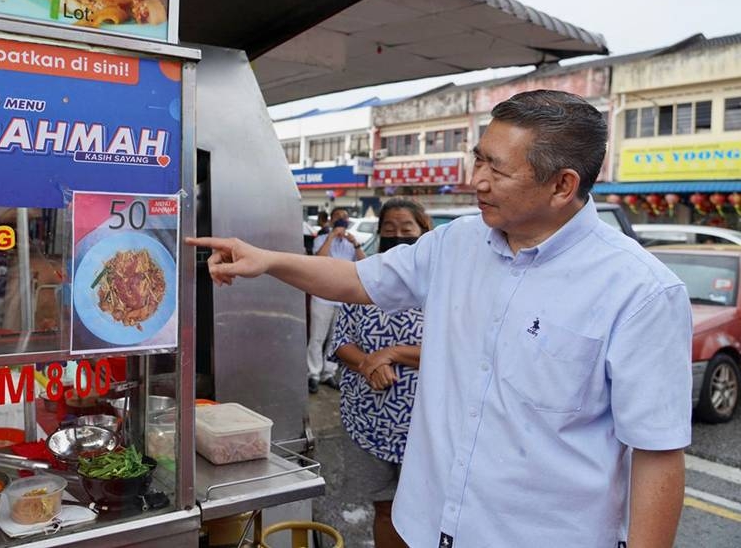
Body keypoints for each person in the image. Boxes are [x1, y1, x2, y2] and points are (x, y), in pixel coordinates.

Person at [188, 90, 692, 548]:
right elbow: (356, 281)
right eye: (478, 160)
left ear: (563, 185)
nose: (476, 181)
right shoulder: (457, 243)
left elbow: (657, 453)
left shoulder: (640, 292)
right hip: (426, 525)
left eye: (497, 169)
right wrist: (268, 259)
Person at [328, 197, 430, 548]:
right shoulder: (366, 277)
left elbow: (461, 350)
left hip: (425, 425)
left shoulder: (443, 283)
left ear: (424, 232)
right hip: (369, 420)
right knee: (384, 509)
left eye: (407, 230)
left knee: (428, 512)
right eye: (389, 230)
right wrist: (368, 365)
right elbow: (341, 341)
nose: (397, 236)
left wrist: (393, 354)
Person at [307, 207, 365, 393]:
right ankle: (313, 373)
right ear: (332, 220)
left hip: (343, 299)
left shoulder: (351, 243)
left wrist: (355, 244)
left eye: (345, 217)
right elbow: (318, 260)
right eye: (339, 217)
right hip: (322, 297)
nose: (342, 220)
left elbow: (364, 264)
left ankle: (328, 372)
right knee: (317, 337)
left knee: (335, 339)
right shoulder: (322, 239)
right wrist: (331, 236)